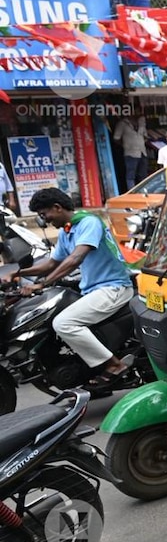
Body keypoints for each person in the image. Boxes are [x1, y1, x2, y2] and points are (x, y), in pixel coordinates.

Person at [1, 188, 135, 388]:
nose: (44, 220)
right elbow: (50, 264)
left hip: (113, 288)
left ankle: (114, 365)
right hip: (93, 290)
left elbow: (75, 259)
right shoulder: (67, 231)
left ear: (57, 207)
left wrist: (42, 283)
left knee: (64, 323)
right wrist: (18, 274)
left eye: (44, 214)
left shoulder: (89, 222)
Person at [114, 114, 147, 189]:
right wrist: (126, 145)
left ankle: (144, 192)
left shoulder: (141, 123)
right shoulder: (122, 123)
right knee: (131, 176)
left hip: (142, 152)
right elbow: (116, 138)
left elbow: (145, 135)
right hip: (130, 153)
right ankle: (132, 194)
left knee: (143, 176)